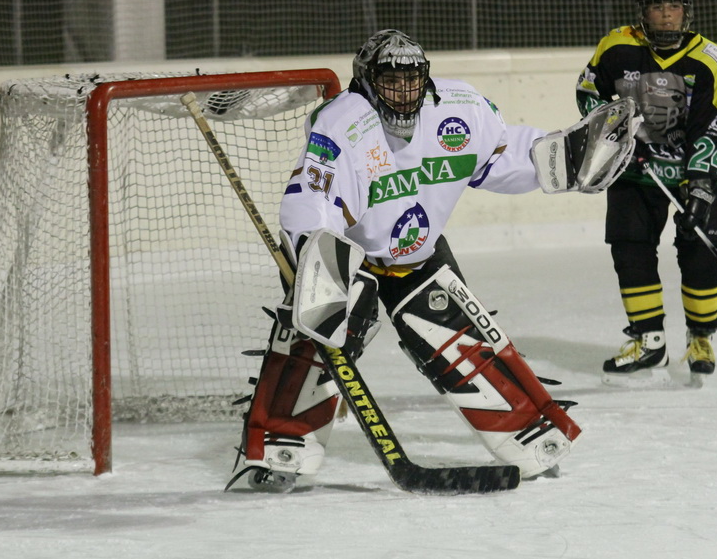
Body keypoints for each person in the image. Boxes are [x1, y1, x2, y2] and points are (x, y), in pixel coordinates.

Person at [228, 28, 636, 492]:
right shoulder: (343, 121)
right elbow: (313, 193)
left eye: (412, 80)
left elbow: (502, 154)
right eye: (390, 80)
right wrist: (315, 253)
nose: (403, 92)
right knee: (315, 336)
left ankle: (533, 442)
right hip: (354, 255)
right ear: (365, 81)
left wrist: (566, 154)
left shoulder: (459, 109)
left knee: (460, 338)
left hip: (420, 253)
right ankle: (280, 449)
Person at [576, 0, 717, 384]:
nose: (666, 15)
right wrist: (617, 136)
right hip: (638, 167)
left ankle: (700, 337)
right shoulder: (618, 46)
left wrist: (700, 187)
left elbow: (715, 127)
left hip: (703, 169)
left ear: (687, 11)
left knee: (700, 252)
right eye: (657, 6)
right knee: (629, 247)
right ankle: (650, 340)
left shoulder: (711, 61)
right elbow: (588, 92)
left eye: (674, 7)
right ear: (643, 11)